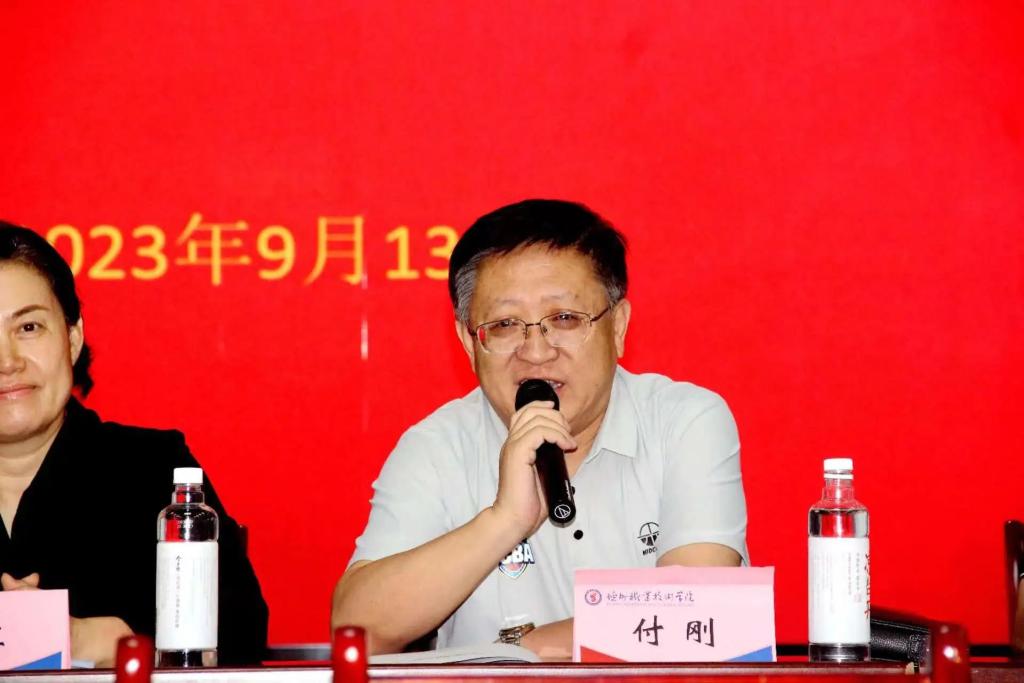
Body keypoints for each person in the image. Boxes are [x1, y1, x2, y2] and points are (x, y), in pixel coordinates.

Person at [331, 199, 747, 658]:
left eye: (564, 319)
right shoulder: (435, 448)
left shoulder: (684, 422)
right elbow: (357, 631)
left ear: (618, 327)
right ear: (469, 342)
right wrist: (505, 520)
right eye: (505, 325)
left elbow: (702, 614)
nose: (535, 351)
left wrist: (521, 652)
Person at [0, 221, 268, 667]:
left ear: (72, 338)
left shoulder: (153, 471)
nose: (7, 361)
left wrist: (94, 640)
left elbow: (241, 634)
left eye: (28, 327)